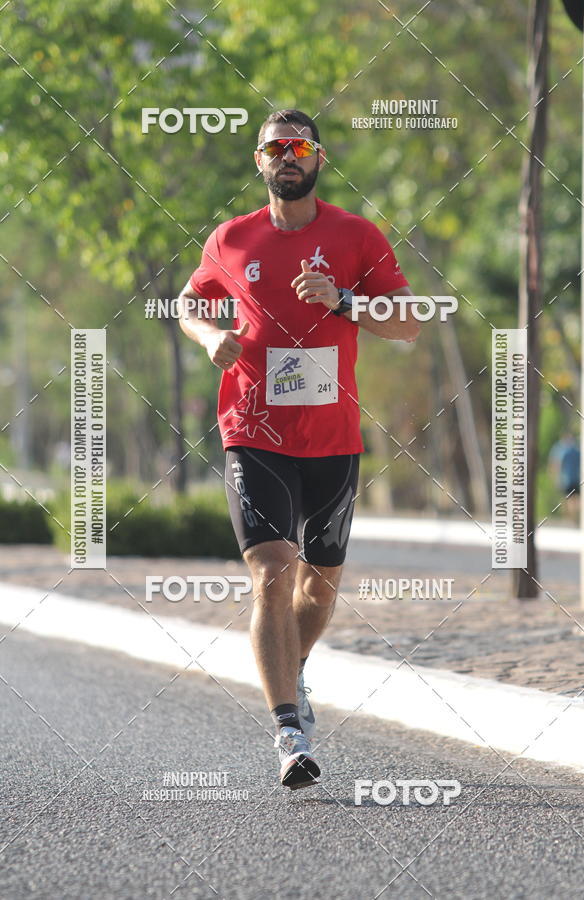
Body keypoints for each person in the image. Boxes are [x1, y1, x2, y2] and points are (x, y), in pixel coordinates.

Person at [178, 108, 420, 789]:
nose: (288, 156)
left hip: (334, 438)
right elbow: (188, 304)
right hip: (252, 430)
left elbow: (407, 324)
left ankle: (293, 666)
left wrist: (346, 300)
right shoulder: (232, 239)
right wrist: (208, 339)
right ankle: (289, 729)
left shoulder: (354, 235)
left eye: (300, 147)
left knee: (317, 589)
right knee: (272, 574)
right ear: (259, 161)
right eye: (275, 147)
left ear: (319, 159)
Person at [549, 432, 581, 522]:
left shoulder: (561, 449)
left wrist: (554, 477)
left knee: (568, 499)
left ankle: (570, 518)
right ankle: (573, 517)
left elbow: (556, 464)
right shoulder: (576, 449)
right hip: (574, 478)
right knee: (574, 499)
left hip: (566, 479)